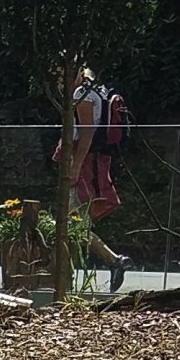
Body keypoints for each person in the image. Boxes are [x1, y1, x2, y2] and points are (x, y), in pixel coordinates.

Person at [54, 62, 130, 287]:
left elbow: (87, 132)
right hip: (95, 161)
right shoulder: (97, 88)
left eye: (61, 73)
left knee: (70, 222)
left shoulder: (82, 93)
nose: (59, 79)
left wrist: (75, 167)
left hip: (86, 161)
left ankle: (113, 260)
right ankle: (112, 260)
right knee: (72, 221)